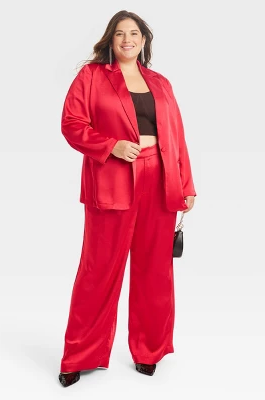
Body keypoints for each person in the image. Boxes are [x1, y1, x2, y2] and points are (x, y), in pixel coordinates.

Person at [58, 10, 197, 387]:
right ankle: (79, 354)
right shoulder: (91, 76)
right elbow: (72, 124)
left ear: (144, 39)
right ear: (110, 39)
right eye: (120, 33)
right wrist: (112, 146)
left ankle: (150, 351)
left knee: (155, 271)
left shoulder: (160, 82)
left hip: (160, 179)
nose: (127, 39)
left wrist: (185, 184)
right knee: (98, 270)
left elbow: (177, 136)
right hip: (112, 179)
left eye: (134, 33)